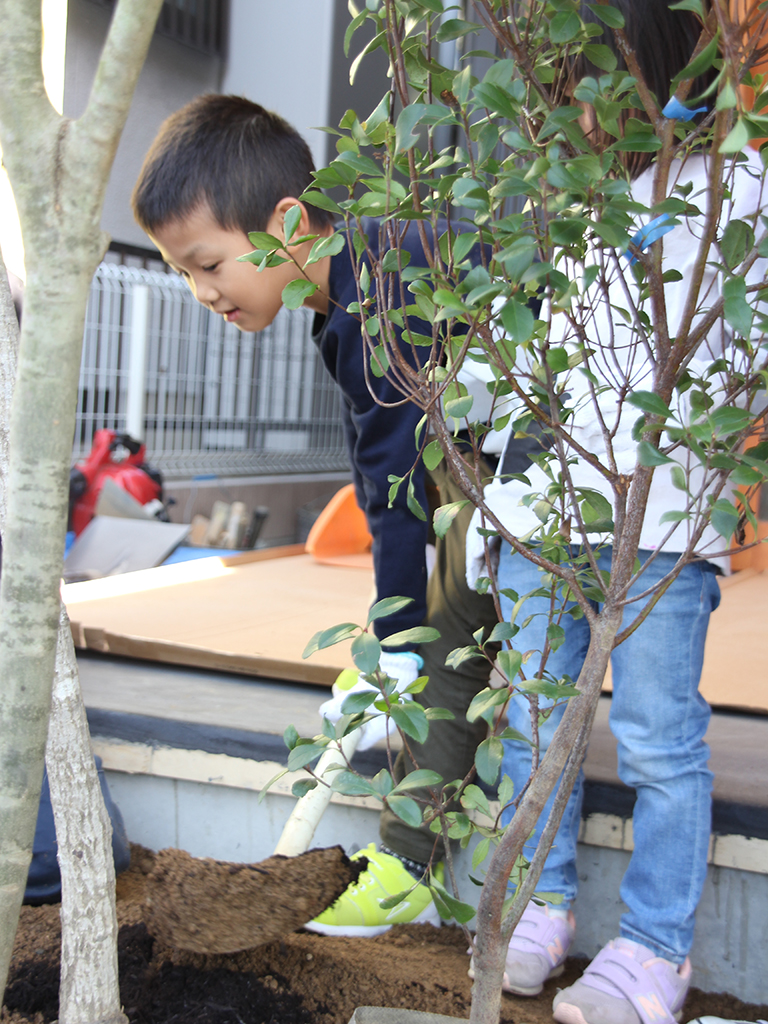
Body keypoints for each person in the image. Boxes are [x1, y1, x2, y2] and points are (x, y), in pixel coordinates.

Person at [131, 94, 501, 934]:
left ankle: (411, 866)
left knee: (446, 631)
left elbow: (407, 481)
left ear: (289, 222)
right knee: (439, 623)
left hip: (558, 467)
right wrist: (387, 630)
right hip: (485, 466)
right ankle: (419, 850)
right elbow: (378, 477)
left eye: (210, 264)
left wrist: (400, 632)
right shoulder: (343, 298)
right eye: (182, 273)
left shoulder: (383, 289)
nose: (200, 292)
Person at [464, 3, 767, 1022]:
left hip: (664, 521)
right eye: (564, 93)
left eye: (599, 85)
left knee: (656, 737)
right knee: (533, 718)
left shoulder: (736, 187)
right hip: (539, 518)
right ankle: (540, 908)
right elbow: (514, 378)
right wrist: (490, 507)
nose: (582, 116)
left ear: (658, 72)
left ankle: (653, 947)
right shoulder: (560, 213)